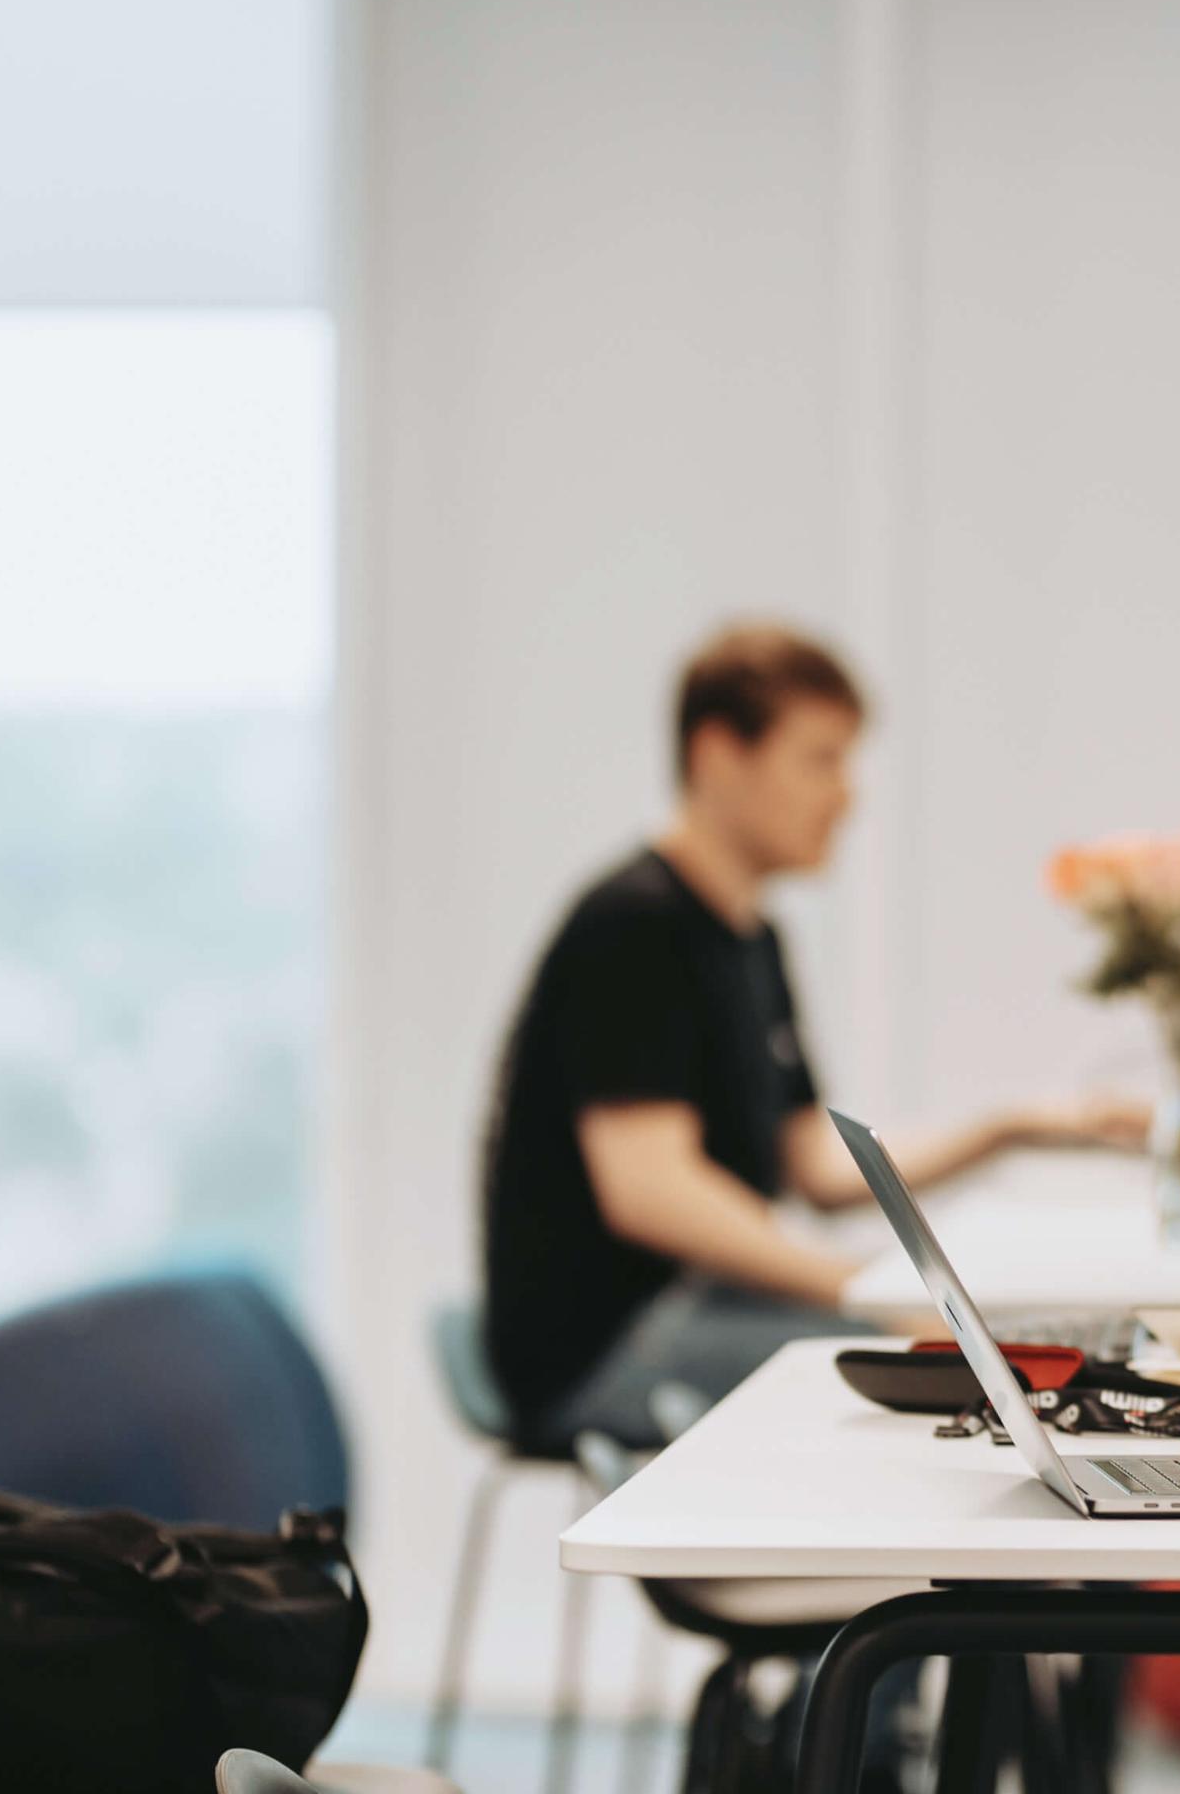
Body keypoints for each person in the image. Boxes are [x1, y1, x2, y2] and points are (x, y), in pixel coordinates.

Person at [479, 622, 1141, 1452]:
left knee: (1013, 1358)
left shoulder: (752, 938)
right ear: (720, 754)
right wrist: (859, 1289)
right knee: (979, 1378)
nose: (847, 795)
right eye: (821, 759)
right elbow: (651, 1190)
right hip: (608, 1348)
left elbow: (813, 1165)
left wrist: (1014, 1125)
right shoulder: (632, 927)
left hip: (702, 1311)